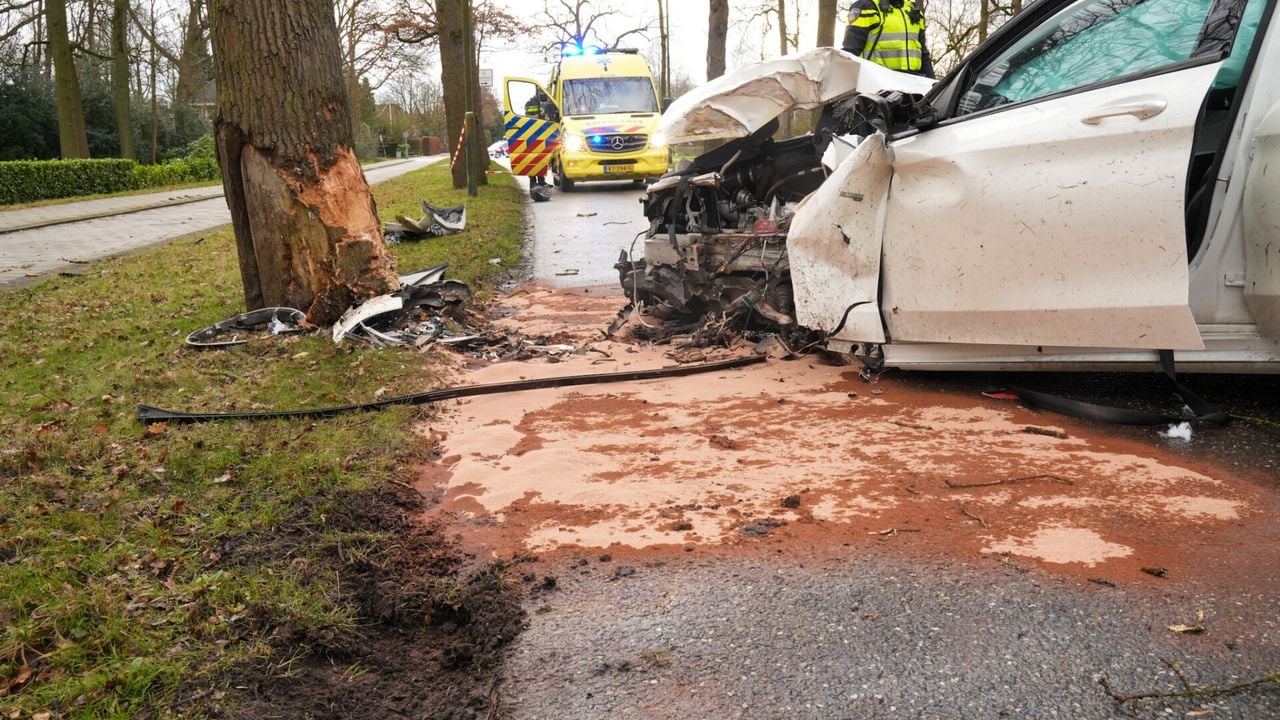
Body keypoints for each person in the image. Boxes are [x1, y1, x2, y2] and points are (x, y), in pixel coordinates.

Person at [842, 0, 935, 78]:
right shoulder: (867, 7)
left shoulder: (914, 10)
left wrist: (933, 84)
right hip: (875, 83)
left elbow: (923, 55)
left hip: (913, 83)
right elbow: (850, 53)